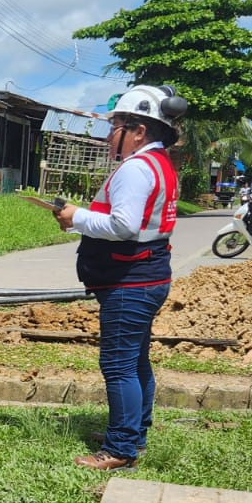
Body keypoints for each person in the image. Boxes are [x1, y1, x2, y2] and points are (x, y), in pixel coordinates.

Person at [45, 84, 187, 471]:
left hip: (131, 281)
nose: (110, 135)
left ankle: (121, 447)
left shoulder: (137, 169)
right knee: (137, 361)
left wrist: (76, 217)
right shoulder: (159, 165)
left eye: (116, 126)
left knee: (119, 365)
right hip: (146, 275)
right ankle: (133, 433)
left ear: (138, 131)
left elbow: (124, 226)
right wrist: (79, 223)